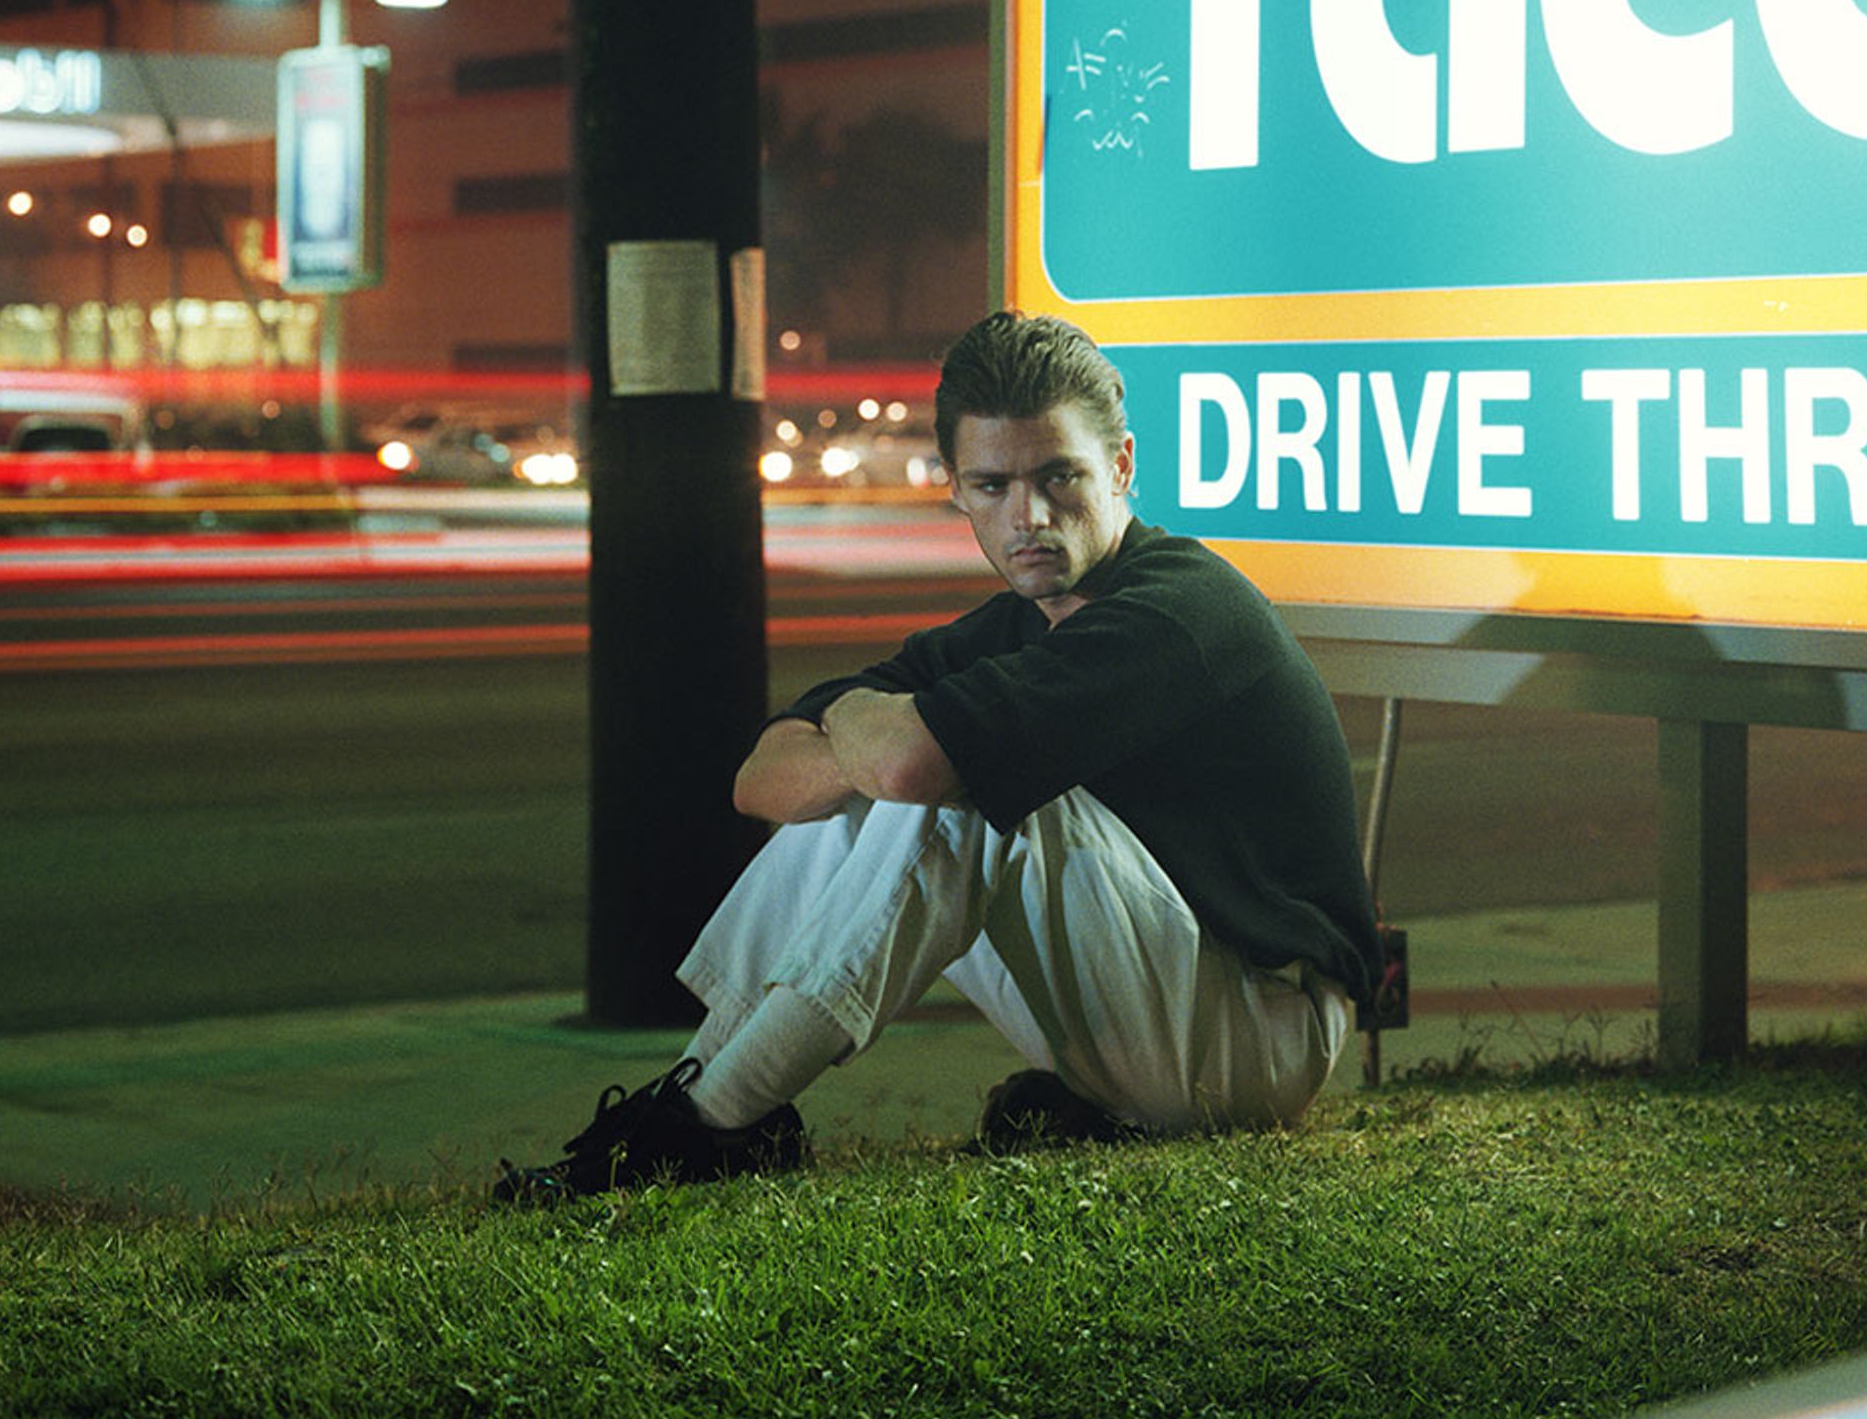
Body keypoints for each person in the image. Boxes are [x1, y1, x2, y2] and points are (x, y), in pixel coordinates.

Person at [497, 309, 1385, 1201]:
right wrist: (869, 738)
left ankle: (708, 1126)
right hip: (1161, 1006)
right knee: (878, 788)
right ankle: (704, 1100)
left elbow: (914, 770)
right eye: (993, 485)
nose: (1028, 516)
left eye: (1060, 477)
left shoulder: (1179, 609)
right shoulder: (1010, 628)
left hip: (1265, 1030)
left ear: (1120, 467)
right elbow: (760, 782)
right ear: (957, 490)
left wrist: (866, 730)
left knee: (966, 794)